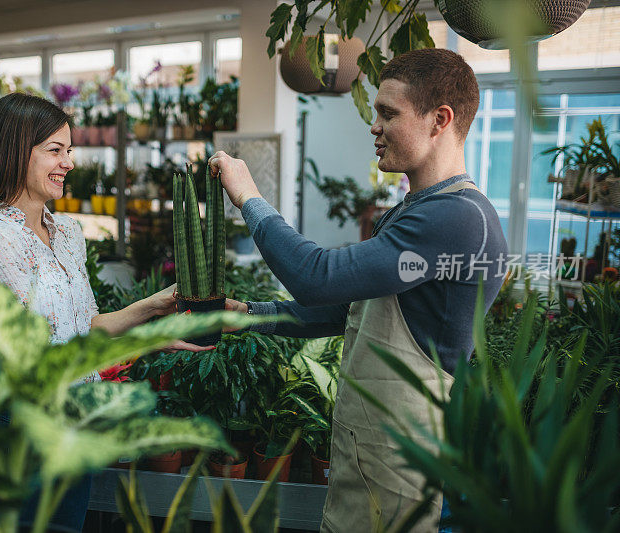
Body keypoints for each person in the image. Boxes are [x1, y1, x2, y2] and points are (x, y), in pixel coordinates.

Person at [212, 48, 508, 532]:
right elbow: (347, 310)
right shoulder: (417, 210)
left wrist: (249, 196)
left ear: (440, 120)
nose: (374, 126)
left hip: (401, 462)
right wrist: (246, 313)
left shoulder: (457, 218)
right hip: (373, 448)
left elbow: (316, 276)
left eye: (388, 113)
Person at [0, 92, 210, 532]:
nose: (70, 163)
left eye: (70, 150)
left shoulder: (68, 233)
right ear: (15, 152)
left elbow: (88, 326)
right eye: (55, 151)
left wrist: (159, 306)